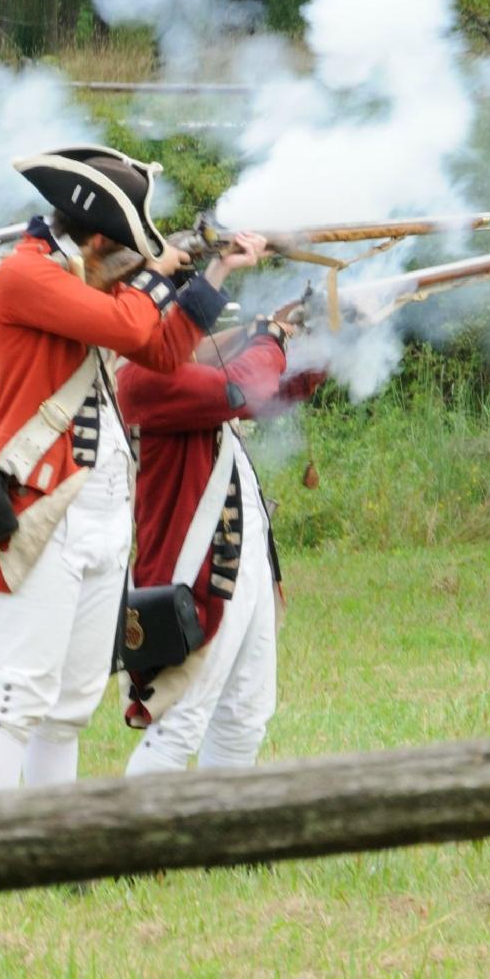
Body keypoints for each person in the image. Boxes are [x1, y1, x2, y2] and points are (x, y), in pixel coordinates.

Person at [0, 144, 262, 792]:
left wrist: (215, 274)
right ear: (101, 240)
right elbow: (129, 325)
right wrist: (159, 274)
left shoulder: (81, 280)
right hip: (42, 503)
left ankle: (54, 844)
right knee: (18, 697)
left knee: (69, 708)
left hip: (101, 503)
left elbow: (161, 348)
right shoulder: (25, 274)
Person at [114, 304, 325, 774]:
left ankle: (224, 840)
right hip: (197, 570)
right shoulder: (141, 378)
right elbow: (245, 388)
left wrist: (329, 337)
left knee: (244, 717)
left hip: (240, 560)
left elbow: (276, 390)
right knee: (178, 722)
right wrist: (268, 334)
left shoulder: (181, 374)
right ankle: (137, 842)